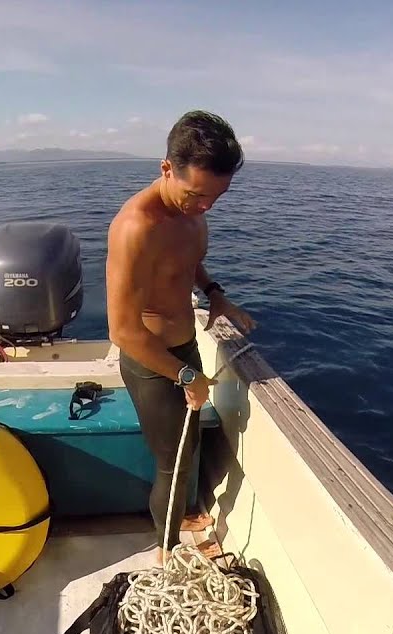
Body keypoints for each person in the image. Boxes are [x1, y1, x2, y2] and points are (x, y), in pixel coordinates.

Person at [105, 110, 258, 563]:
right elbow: (123, 330)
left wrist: (215, 294)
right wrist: (187, 373)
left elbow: (187, 262)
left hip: (184, 345)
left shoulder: (190, 214)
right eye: (197, 194)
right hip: (150, 359)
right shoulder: (137, 228)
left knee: (188, 446)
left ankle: (183, 517)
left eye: (217, 196)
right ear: (166, 168)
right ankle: (166, 550)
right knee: (173, 461)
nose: (206, 206)